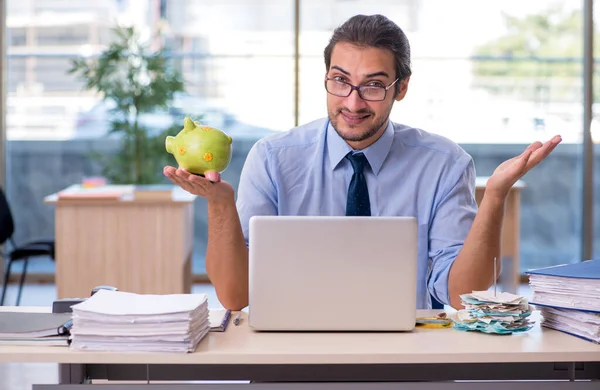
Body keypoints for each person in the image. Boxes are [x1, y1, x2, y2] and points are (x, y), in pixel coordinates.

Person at [164, 14, 561, 311]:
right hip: (290, 352)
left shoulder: (445, 164)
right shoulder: (273, 158)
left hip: (411, 356)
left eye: (372, 85)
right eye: (340, 81)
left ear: (400, 88)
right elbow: (235, 297)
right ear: (326, 77)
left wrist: (494, 196)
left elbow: (460, 297)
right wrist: (219, 205)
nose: (352, 103)